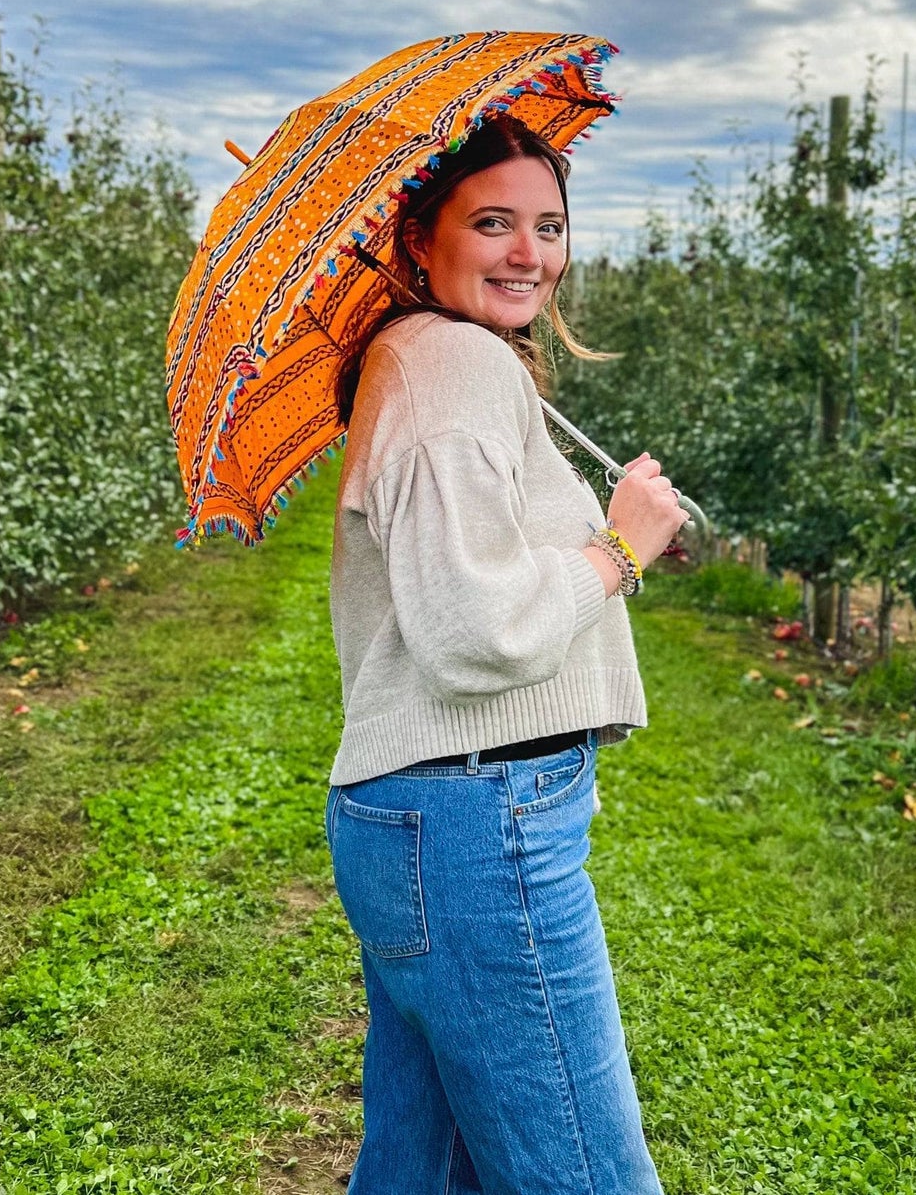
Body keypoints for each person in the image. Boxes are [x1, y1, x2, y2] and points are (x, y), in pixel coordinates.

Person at [325, 113, 687, 1195]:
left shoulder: (426, 359)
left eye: (548, 224)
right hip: (479, 821)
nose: (530, 252)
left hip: (431, 820)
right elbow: (470, 632)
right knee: (585, 1172)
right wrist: (618, 546)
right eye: (493, 222)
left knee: (419, 1170)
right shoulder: (451, 367)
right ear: (419, 235)